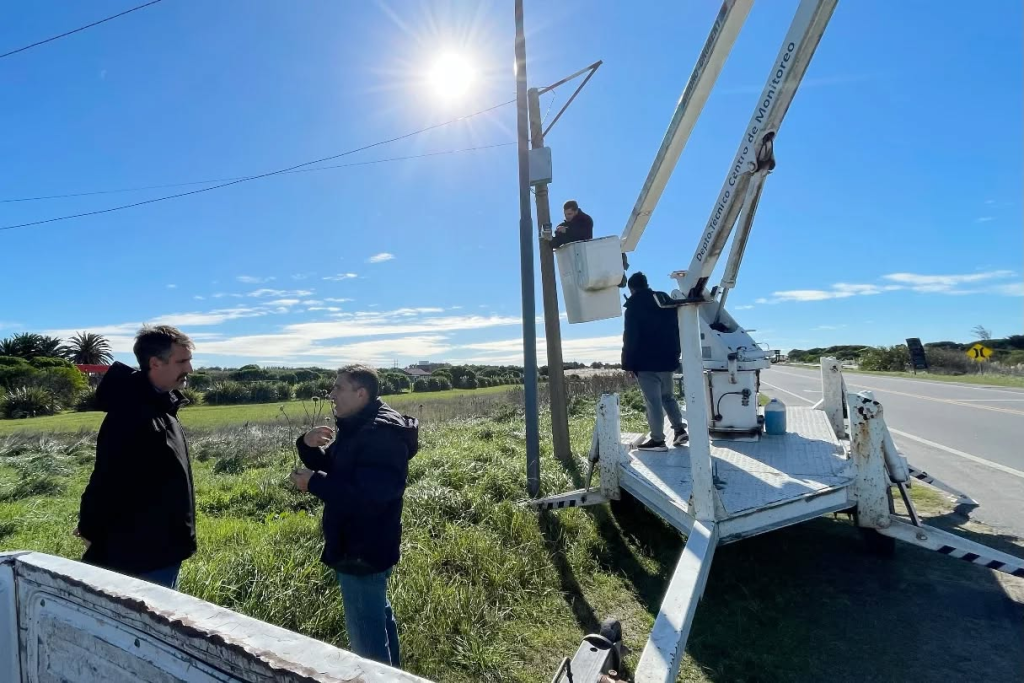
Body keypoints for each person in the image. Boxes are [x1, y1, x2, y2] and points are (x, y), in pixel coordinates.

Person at [290, 364, 419, 669]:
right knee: (378, 615)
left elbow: (369, 497)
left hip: (362, 546)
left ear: (361, 393)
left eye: (338, 388)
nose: (331, 394)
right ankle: (393, 675)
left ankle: (379, 676)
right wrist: (306, 447)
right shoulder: (360, 425)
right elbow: (342, 474)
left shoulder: (379, 434)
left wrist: (314, 483)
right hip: (363, 542)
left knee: (367, 641)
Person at [76, 325, 196, 589]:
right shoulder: (131, 414)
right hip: (141, 558)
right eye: (182, 361)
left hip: (164, 548)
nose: (190, 369)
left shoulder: (161, 406)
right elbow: (106, 479)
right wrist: (90, 528)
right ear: (155, 363)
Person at [621, 272, 688, 451]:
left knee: (653, 402)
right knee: (668, 397)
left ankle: (658, 440)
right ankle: (679, 430)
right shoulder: (664, 300)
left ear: (632, 288)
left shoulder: (633, 308)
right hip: (668, 360)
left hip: (646, 363)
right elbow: (677, 329)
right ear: (647, 284)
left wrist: (627, 364)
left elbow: (631, 338)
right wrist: (676, 353)